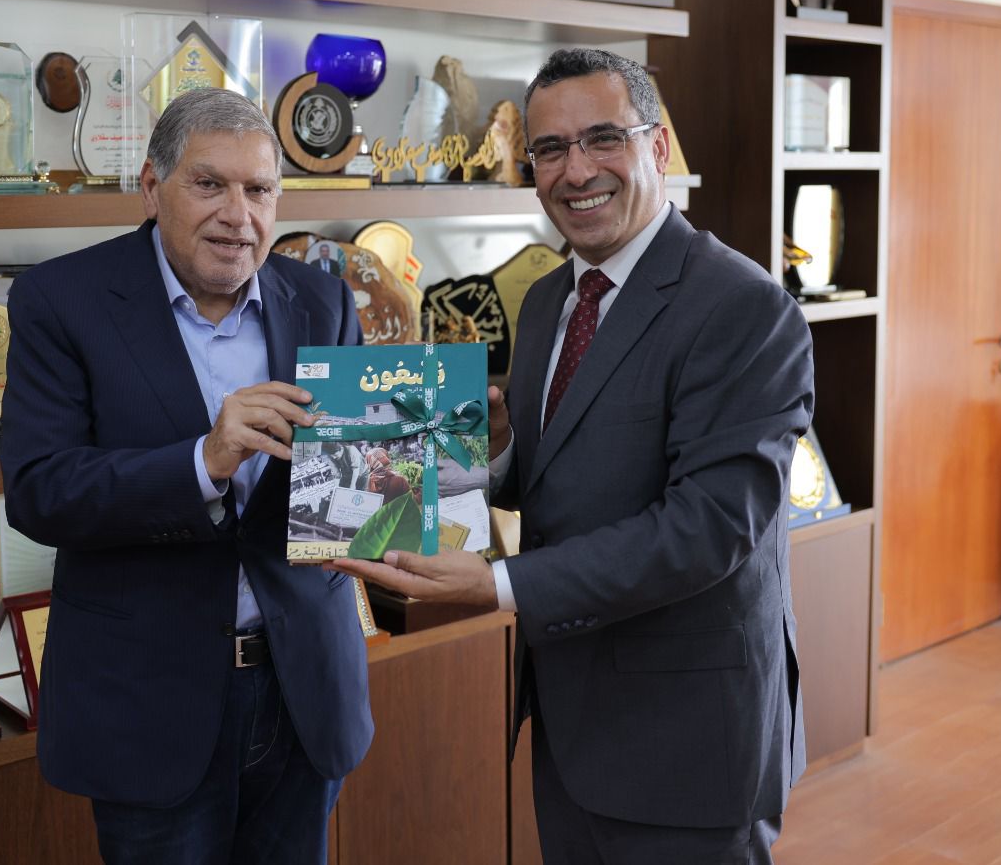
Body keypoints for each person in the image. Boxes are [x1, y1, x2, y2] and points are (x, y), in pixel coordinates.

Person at [333, 48, 814, 863]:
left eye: (602, 138)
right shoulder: (551, 296)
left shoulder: (744, 308)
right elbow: (566, 472)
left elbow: (707, 529)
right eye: (550, 149)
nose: (576, 170)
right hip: (570, 724)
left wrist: (498, 584)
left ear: (657, 146)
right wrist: (484, 462)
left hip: (689, 742)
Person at [0, 87, 372, 865]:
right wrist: (205, 461)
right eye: (210, 184)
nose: (239, 216)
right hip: (148, 706)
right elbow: (39, 490)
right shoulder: (60, 300)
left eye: (259, 190)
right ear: (151, 186)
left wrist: (439, 461)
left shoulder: (324, 300)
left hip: (304, 694)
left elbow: (352, 499)